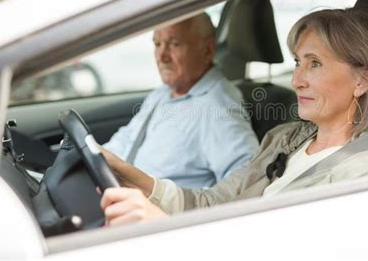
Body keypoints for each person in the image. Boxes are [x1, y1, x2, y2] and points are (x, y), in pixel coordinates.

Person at [99, 8, 368, 226]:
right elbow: (214, 203)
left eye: (315, 64)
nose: (297, 79)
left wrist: (163, 226)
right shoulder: (286, 139)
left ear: (362, 81)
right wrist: (135, 179)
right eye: (298, 62)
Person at [103, 13, 259, 189]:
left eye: (174, 44)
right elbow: (126, 141)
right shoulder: (163, 93)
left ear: (207, 50)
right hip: (117, 194)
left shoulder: (217, 107)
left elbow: (246, 183)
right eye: (157, 44)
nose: (161, 56)